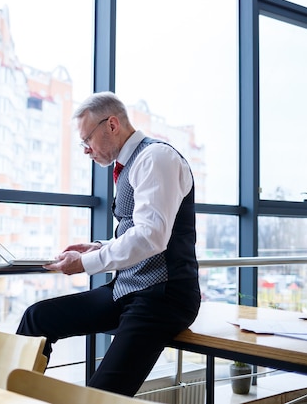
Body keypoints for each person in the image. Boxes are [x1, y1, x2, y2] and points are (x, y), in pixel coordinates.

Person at [16, 91, 201, 397]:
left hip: (164, 297)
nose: (86, 150)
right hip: (127, 290)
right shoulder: (132, 163)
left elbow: (151, 236)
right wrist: (98, 248)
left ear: (112, 124)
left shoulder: (156, 158)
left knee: (100, 396)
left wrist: (86, 264)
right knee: (37, 318)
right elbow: (138, 229)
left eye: (87, 138)